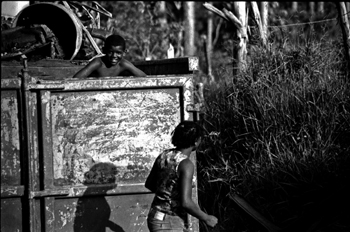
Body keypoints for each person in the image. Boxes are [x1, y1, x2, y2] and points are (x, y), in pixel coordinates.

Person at [145, 120, 218, 231]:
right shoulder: (186, 164)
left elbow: (149, 184)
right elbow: (186, 203)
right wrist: (207, 218)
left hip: (155, 216)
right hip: (168, 221)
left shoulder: (164, 155)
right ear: (196, 141)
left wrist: (166, 194)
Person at [73, 34, 147, 78]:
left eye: (118, 53)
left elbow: (145, 78)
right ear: (103, 50)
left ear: (124, 52)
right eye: (110, 52)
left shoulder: (123, 64)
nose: (114, 56)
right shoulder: (98, 63)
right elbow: (75, 79)